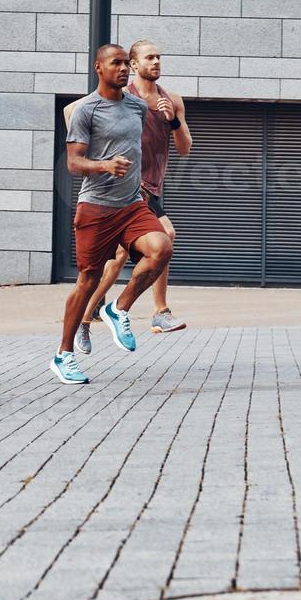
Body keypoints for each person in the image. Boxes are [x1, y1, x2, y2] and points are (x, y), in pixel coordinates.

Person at [55, 45, 174, 384]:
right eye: (116, 63)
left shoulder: (137, 107)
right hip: (96, 207)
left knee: (162, 248)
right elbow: (73, 162)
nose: (123, 69)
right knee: (88, 281)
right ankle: (64, 354)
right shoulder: (86, 110)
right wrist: (104, 165)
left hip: (132, 204)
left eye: (125, 63)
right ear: (99, 68)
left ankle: (118, 308)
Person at [75, 39, 191, 354]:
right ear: (134, 64)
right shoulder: (124, 97)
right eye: (148, 57)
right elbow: (72, 110)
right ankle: (159, 312)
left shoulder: (172, 100)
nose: (156, 62)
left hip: (153, 186)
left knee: (114, 261)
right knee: (165, 234)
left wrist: (174, 122)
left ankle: (86, 320)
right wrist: (99, 161)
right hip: (128, 187)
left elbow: (184, 148)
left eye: (159, 57)